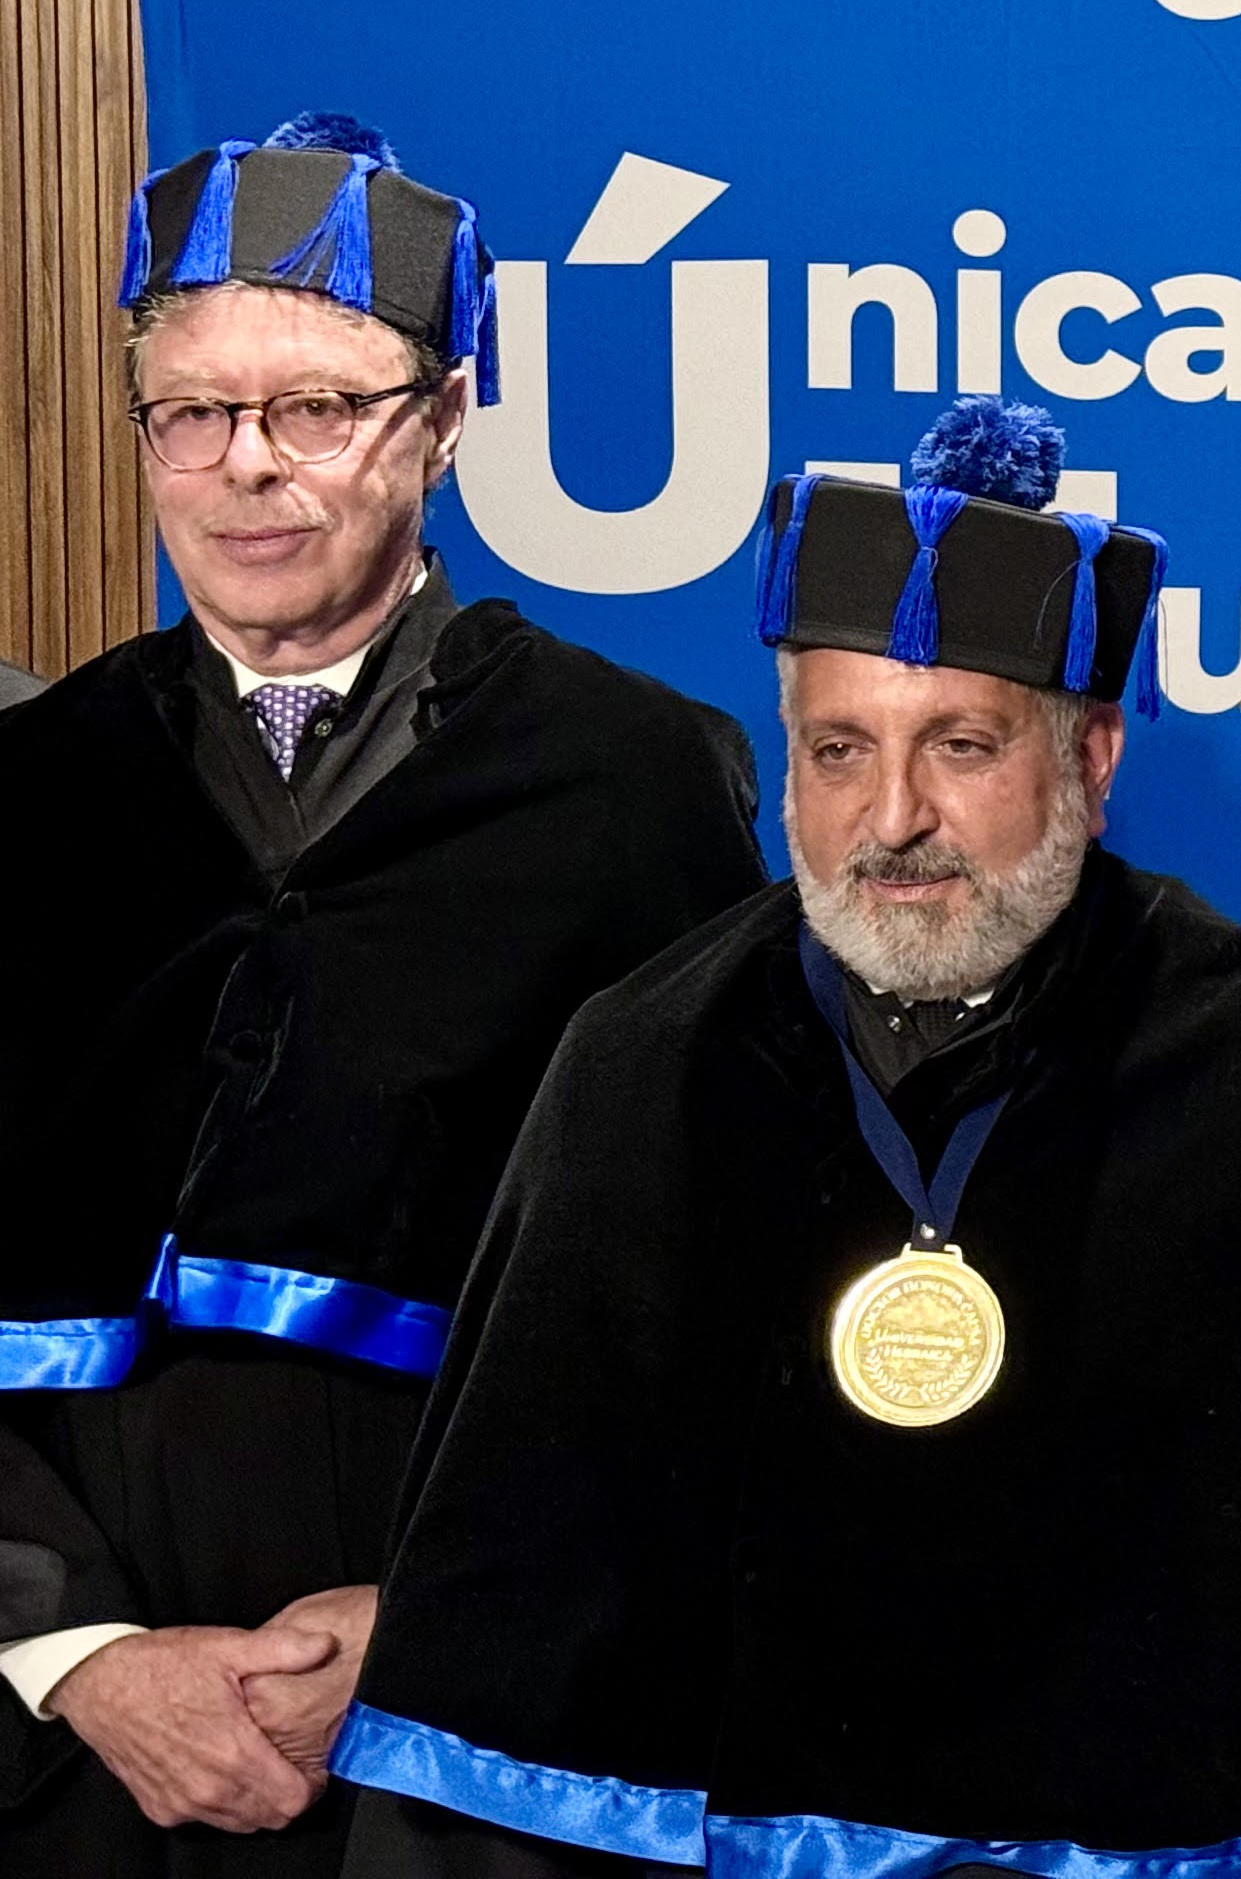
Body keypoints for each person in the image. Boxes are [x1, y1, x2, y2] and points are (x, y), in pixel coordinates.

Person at [329, 399, 1241, 1878]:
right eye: (838, 750)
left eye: (960, 744)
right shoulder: (642, 1067)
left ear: (1090, 755)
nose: (892, 818)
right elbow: (513, 1639)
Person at [0, 116, 768, 1873]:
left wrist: (433, 1611)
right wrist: (77, 1650)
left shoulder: (634, 787)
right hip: (50, 1742)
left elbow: (699, 1289)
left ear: (441, 420)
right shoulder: (27, 791)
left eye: (316, 411)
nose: (245, 466)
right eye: (191, 412)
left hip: (460, 1725)